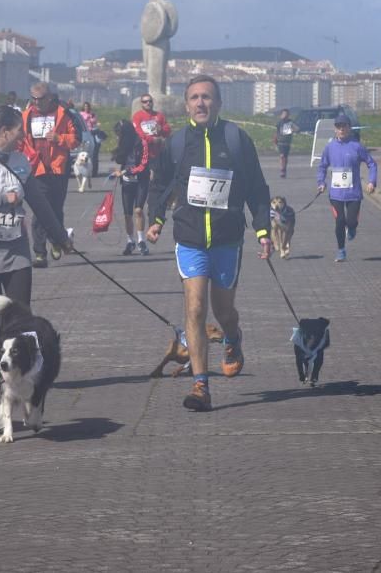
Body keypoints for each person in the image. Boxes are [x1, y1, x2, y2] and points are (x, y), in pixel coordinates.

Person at [147, 75, 272, 412]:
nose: (200, 103)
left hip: (227, 239)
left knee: (224, 311)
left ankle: (232, 338)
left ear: (218, 103)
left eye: (207, 97)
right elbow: (160, 184)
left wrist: (263, 231)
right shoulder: (176, 144)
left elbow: (257, 188)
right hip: (189, 238)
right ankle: (201, 385)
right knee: (195, 309)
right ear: (186, 104)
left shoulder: (236, 139)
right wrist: (155, 220)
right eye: (194, 98)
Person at [0, 106, 74, 391]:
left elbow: (40, 204)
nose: (23, 133)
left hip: (15, 249)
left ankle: (24, 368)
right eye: (19, 128)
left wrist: (60, 237)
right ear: (4, 131)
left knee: (21, 313)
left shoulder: (21, 161)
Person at [19, 82, 80, 268]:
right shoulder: (26, 116)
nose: (37, 103)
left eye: (41, 99)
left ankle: (57, 240)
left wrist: (59, 138)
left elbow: (77, 139)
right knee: (39, 210)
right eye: (33, 99)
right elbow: (21, 140)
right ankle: (39, 253)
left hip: (58, 170)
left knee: (55, 209)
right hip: (36, 170)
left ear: (50, 98)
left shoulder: (64, 114)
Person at [316, 114, 377, 262]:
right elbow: (322, 166)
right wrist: (321, 182)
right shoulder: (330, 147)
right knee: (339, 221)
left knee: (351, 222)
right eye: (338, 126)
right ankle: (341, 250)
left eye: (344, 126)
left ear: (349, 128)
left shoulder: (357, 146)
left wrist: (371, 182)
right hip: (336, 193)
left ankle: (353, 227)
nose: (341, 129)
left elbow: (372, 164)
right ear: (335, 129)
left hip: (353, 193)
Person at [112, 120, 151, 255]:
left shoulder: (142, 142)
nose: (119, 136)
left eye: (120, 134)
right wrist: (117, 171)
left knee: (139, 210)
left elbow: (144, 164)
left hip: (141, 180)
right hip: (127, 182)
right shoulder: (122, 143)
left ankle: (141, 241)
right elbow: (119, 161)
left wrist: (126, 172)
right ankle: (130, 241)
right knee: (127, 214)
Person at [132, 93, 172, 178]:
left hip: (157, 153)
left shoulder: (159, 115)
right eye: (145, 101)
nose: (148, 103)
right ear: (141, 103)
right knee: (144, 180)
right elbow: (139, 133)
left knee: (157, 179)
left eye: (150, 101)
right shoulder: (137, 116)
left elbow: (168, 130)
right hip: (143, 154)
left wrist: (161, 129)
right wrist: (153, 140)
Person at [80, 101, 106, 177]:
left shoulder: (92, 114)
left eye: (87, 106)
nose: (86, 108)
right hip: (85, 134)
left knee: (95, 154)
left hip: (92, 133)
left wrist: (92, 118)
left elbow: (95, 122)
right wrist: (87, 118)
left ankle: (94, 171)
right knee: (84, 154)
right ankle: (83, 171)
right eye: (85, 106)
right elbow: (81, 121)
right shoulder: (81, 114)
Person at [273, 108, 297, 178]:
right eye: (283, 114)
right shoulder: (279, 123)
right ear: (281, 115)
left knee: (285, 157)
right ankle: (282, 170)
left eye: (286, 114)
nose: (285, 115)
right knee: (282, 156)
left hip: (287, 142)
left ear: (288, 115)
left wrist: (292, 130)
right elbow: (276, 132)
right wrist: (275, 141)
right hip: (280, 142)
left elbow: (297, 129)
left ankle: (284, 169)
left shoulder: (290, 122)